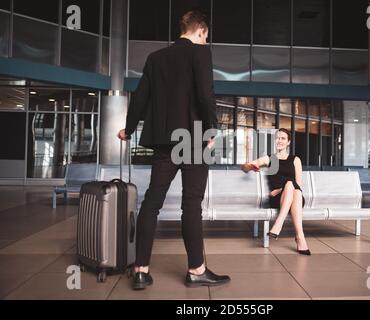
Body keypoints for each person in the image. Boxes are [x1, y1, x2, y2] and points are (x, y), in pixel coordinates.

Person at [117, 10, 230, 290]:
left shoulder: (155, 59)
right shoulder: (200, 54)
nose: (206, 40)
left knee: (152, 202)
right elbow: (205, 94)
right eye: (206, 36)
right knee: (191, 205)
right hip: (193, 141)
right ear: (201, 31)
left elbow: (140, 97)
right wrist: (212, 129)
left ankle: (141, 269)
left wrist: (129, 129)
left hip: (164, 142)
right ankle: (196, 270)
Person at [241, 128, 310, 255]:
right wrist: (251, 166)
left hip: (294, 196)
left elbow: (298, 184)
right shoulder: (269, 159)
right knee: (291, 187)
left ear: (288, 142)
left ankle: (279, 224)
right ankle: (300, 238)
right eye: (278, 138)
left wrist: (280, 189)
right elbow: (244, 167)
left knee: (293, 187)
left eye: (283, 138)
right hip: (277, 199)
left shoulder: (295, 160)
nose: (280, 140)